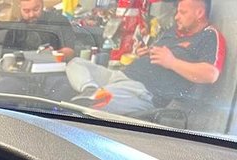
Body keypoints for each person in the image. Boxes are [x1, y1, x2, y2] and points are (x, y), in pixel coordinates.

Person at [63, 0, 224, 116]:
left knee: (88, 104)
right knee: (75, 63)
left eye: (182, 12)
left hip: (141, 91)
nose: (176, 17)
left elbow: (210, 74)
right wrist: (145, 53)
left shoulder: (208, 36)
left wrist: (171, 62)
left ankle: (90, 96)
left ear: (199, 13)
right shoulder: (173, 32)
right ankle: (89, 88)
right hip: (119, 76)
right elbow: (157, 55)